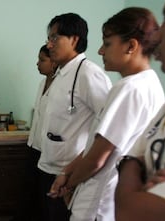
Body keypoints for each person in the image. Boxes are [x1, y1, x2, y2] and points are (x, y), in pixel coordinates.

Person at [49, 7, 165, 221]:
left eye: (107, 43)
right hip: (114, 197)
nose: (101, 51)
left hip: (98, 201)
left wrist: (70, 184)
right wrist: (67, 172)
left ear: (131, 46)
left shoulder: (129, 89)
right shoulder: (150, 84)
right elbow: (98, 145)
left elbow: (97, 158)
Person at [36, 13, 112, 221]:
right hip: (49, 165)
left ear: (74, 39)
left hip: (70, 174)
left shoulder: (89, 74)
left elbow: (107, 128)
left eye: (54, 38)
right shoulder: (60, 73)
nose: (49, 45)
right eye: (48, 39)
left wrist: (73, 176)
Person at [115, 0, 165, 220]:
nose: (155, 36)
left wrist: (131, 172)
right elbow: (132, 157)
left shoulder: (132, 87)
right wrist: (133, 168)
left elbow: (130, 212)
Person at [11, 44, 58, 221]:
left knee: (45, 195)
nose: (37, 63)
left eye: (42, 60)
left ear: (54, 62)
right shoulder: (41, 83)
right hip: (34, 146)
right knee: (29, 189)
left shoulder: (60, 85)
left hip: (48, 150)